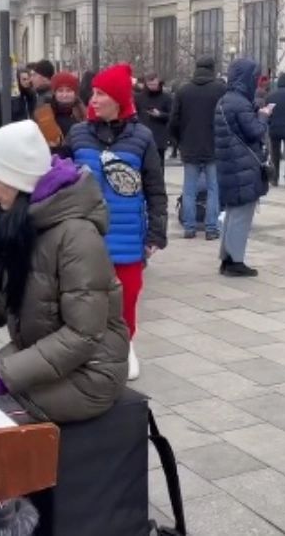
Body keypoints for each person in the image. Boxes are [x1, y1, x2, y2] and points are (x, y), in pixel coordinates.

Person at [0, 120, 129, 422]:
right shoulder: (24, 219)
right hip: (47, 355)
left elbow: (82, 335)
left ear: (20, 179)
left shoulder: (77, 236)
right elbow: (13, 300)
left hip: (91, 373)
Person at [67, 63, 168, 381]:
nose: (93, 100)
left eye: (100, 94)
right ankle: (89, 349)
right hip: (85, 234)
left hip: (127, 235)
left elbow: (155, 188)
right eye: (93, 93)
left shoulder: (142, 137)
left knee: (127, 295)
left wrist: (156, 233)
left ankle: (125, 345)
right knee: (86, 297)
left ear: (118, 99)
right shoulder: (78, 134)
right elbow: (60, 181)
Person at [214, 58, 269, 278]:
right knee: (241, 215)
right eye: (254, 77)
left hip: (229, 164)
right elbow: (255, 131)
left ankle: (227, 258)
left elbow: (239, 123)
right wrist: (263, 117)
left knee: (232, 213)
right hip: (242, 166)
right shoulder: (239, 102)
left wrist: (254, 109)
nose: (256, 82)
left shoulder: (226, 99)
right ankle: (235, 262)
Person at [170, 55, 226, 240]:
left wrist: (179, 142)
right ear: (212, 68)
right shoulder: (220, 89)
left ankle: (189, 227)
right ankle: (211, 228)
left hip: (190, 146)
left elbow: (174, 120)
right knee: (213, 188)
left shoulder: (183, 90)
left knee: (189, 189)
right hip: (214, 145)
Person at [32, 71, 85, 156]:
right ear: (54, 93)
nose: (64, 95)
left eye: (69, 90)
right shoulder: (44, 116)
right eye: (60, 91)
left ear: (75, 93)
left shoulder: (83, 114)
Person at [134, 72, 172, 170]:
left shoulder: (166, 98)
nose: (152, 87)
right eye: (150, 84)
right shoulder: (139, 98)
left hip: (159, 137)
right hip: (142, 136)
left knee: (158, 167)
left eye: (154, 84)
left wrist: (160, 114)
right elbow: (134, 114)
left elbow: (172, 115)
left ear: (158, 82)